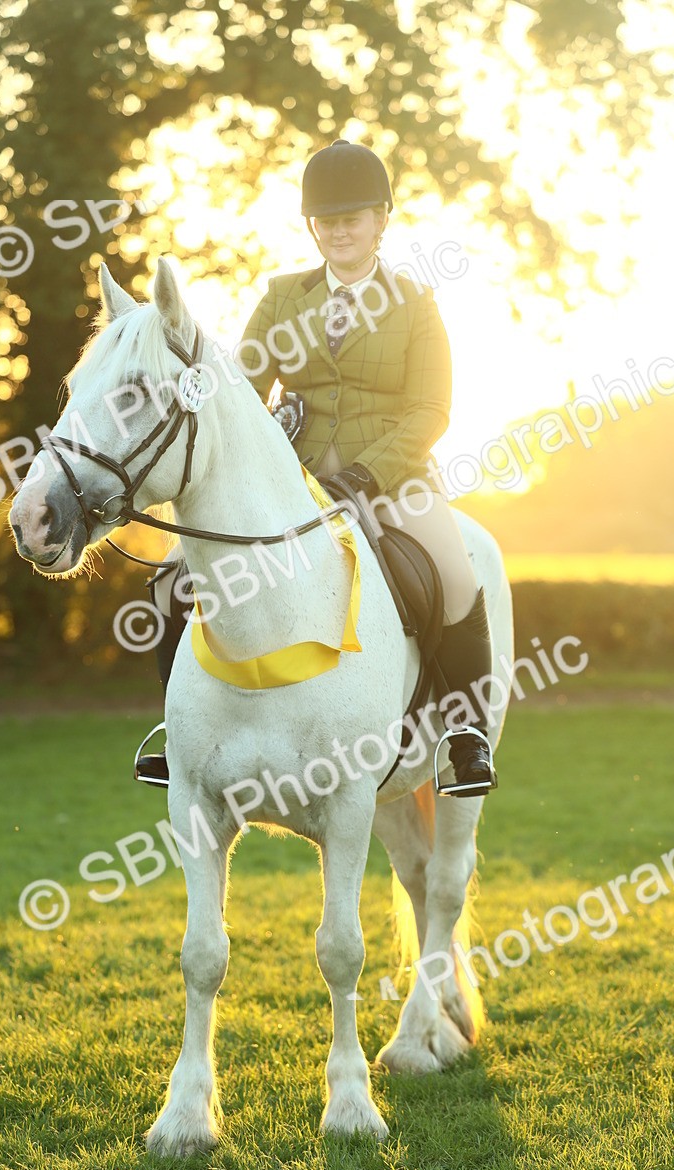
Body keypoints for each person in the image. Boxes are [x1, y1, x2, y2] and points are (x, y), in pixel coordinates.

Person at [137, 139, 496, 797]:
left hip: (394, 479)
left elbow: (430, 410)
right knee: (170, 579)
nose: (338, 228)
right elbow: (239, 391)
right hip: (290, 482)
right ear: (312, 225)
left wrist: (368, 471)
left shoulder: (416, 303)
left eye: (352, 215)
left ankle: (467, 734)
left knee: (455, 574)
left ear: (381, 218)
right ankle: (177, 730)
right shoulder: (281, 297)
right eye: (326, 219)